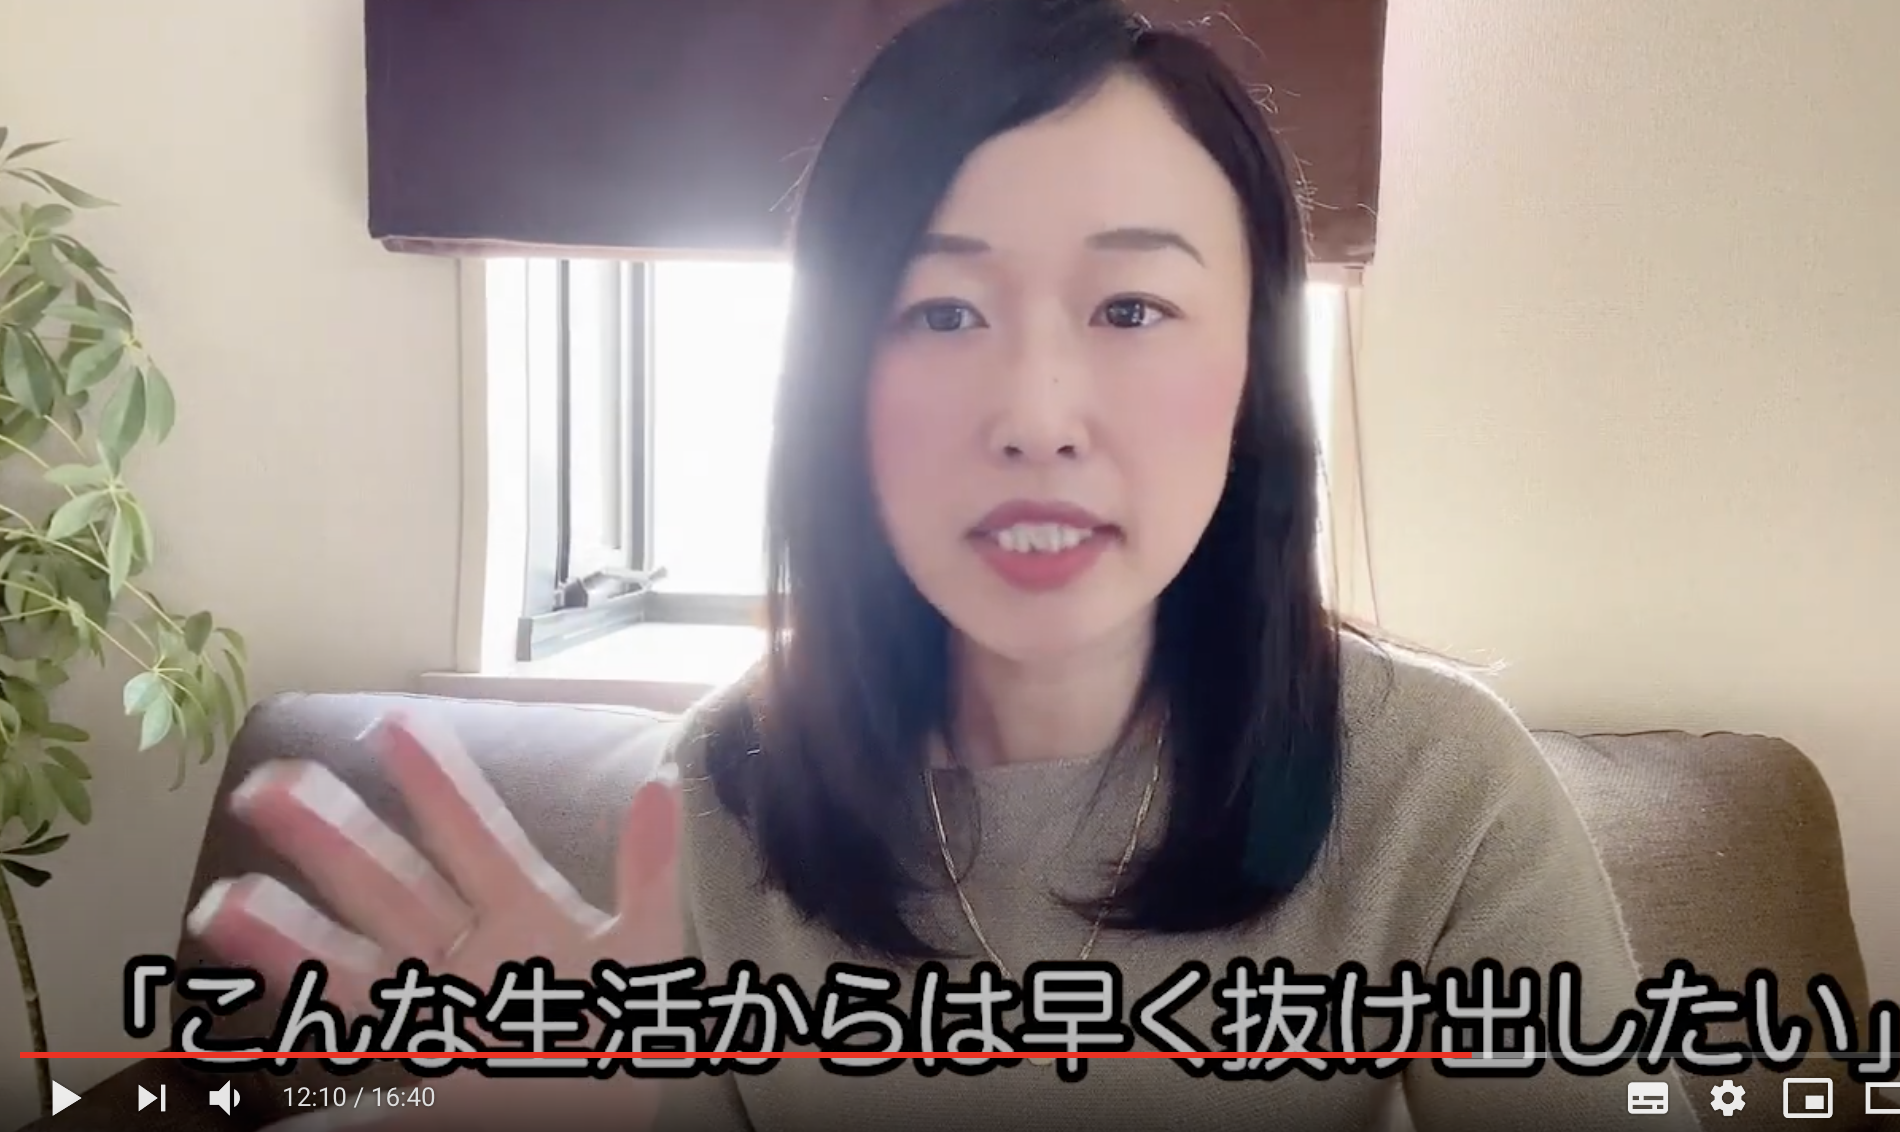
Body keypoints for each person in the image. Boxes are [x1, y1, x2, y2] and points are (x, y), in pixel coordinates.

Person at [185, 1, 1695, 1129]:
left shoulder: (1439, 791)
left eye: (1132, 309)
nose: (1036, 415)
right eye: (943, 313)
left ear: (1252, 374)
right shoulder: (724, 792)